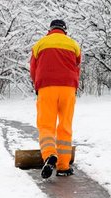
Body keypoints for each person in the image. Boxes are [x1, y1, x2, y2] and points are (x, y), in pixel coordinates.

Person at [30, 19, 81, 179]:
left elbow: (33, 69)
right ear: (65, 30)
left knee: (46, 125)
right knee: (65, 126)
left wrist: (38, 86)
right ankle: (63, 167)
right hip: (68, 89)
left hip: (46, 88)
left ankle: (49, 155)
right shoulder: (73, 45)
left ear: (50, 29)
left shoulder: (40, 44)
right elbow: (77, 67)